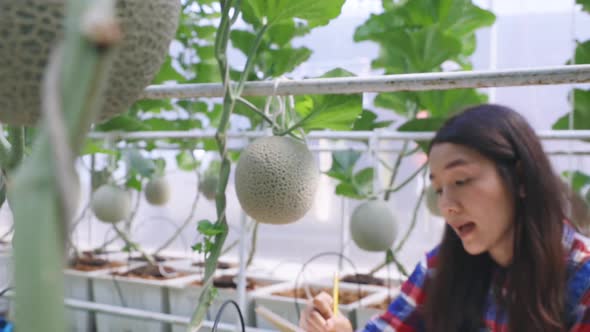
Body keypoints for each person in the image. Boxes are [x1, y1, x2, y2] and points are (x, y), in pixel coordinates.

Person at [299, 104, 590, 332]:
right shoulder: (440, 269)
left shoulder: (583, 280)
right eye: (438, 189)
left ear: (521, 178)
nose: (446, 205)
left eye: (461, 180)